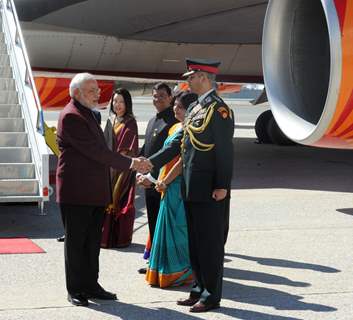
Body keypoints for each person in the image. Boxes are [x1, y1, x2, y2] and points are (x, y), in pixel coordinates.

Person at [56, 73, 151, 307]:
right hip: (77, 193)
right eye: (92, 90)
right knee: (77, 243)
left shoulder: (88, 112)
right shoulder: (71, 116)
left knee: (91, 243)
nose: (98, 93)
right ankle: (76, 288)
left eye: (97, 89)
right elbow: (97, 152)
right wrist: (132, 163)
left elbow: (102, 150)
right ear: (76, 93)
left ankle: (91, 285)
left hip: (95, 192)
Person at [176, 59, 234, 313]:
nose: (188, 80)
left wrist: (222, 185)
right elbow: (181, 147)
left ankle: (211, 296)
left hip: (211, 188)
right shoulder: (195, 108)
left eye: (192, 76)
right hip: (192, 187)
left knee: (210, 244)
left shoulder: (218, 110)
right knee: (196, 243)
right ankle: (198, 289)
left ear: (204, 77)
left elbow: (224, 152)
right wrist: (146, 163)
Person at [146, 92, 198, 288]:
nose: (176, 109)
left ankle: (181, 271)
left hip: (176, 185)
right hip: (166, 184)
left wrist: (165, 181)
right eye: (175, 105)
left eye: (181, 107)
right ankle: (164, 269)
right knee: (167, 228)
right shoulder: (177, 127)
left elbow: (181, 162)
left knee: (177, 229)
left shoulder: (190, 131)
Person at [137, 82, 178, 274]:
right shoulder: (154, 120)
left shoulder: (174, 122)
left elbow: (167, 154)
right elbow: (146, 150)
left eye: (162, 96)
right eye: (155, 96)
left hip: (162, 182)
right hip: (148, 179)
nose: (158, 99)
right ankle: (154, 261)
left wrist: (150, 177)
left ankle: (164, 263)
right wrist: (138, 169)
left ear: (170, 98)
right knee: (154, 223)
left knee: (163, 225)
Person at [101, 88, 138, 248]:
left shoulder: (130, 122)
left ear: (127, 104)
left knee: (119, 201)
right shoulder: (112, 120)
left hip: (122, 170)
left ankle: (118, 238)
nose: (117, 105)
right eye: (115, 101)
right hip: (108, 167)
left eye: (121, 101)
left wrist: (115, 160)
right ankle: (104, 236)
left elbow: (128, 149)